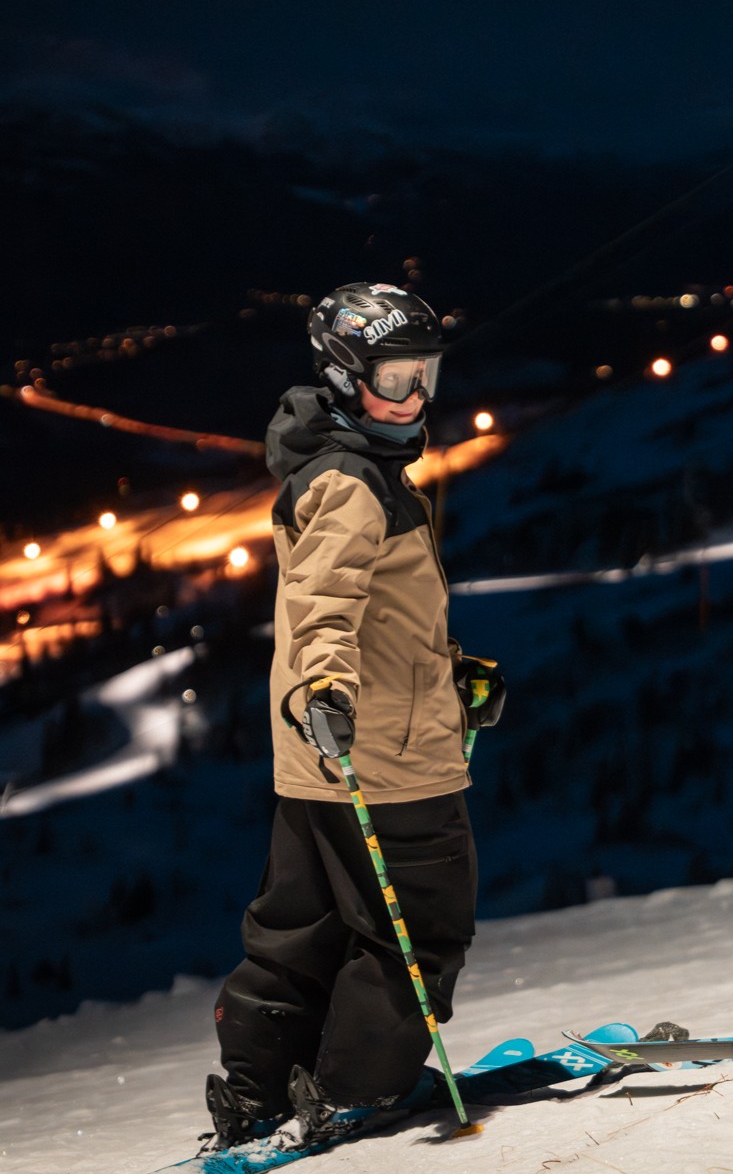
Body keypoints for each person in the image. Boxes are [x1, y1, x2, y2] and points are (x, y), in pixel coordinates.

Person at [205, 283, 505, 1147]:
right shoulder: (352, 483)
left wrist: (450, 677)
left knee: (299, 928)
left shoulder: (338, 463)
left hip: (324, 757)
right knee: (420, 930)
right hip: (381, 756)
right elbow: (320, 605)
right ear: (343, 377)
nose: (414, 399)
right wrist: (325, 692)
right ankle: (350, 1090)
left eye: (426, 377)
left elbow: (374, 613)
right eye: (394, 379)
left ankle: (257, 1092)